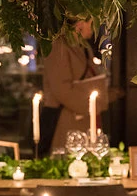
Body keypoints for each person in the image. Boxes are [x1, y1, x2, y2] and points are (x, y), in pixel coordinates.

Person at [39, 19, 108, 155]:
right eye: (91, 23)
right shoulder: (59, 46)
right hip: (66, 120)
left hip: (84, 118)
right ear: (80, 24)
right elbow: (62, 89)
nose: (94, 28)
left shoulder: (84, 47)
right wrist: (94, 105)